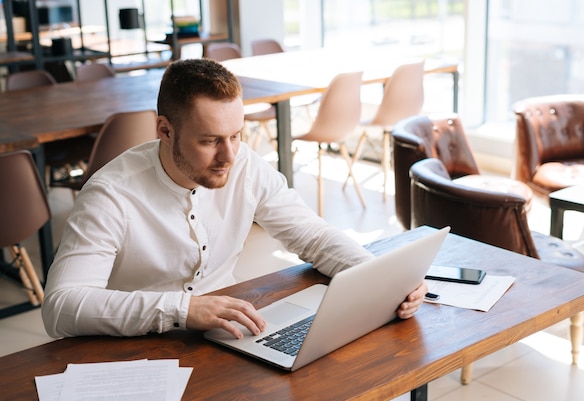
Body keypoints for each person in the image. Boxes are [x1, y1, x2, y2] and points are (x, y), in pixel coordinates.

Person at [42, 59, 429, 338]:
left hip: (227, 332)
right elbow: (61, 307)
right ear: (165, 129)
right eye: (210, 141)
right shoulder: (111, 195)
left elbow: (311, 235)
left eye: (237, 135)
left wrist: (381, 276)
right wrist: (183, 310)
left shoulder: (244, 164)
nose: (229, 156)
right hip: (135, 343)